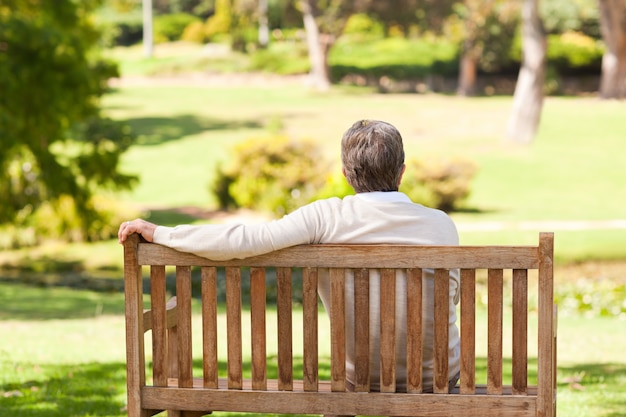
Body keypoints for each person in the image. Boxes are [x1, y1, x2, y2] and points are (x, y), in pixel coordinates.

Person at [118, 119, 460, 392]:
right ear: (401, 172)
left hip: (362, 379)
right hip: (438, 380)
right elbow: (452, 298)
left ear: (346, 175)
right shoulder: (441, 226)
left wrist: (162, 233)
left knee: (348, 377)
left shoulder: (327, 217)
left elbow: (246, 240)